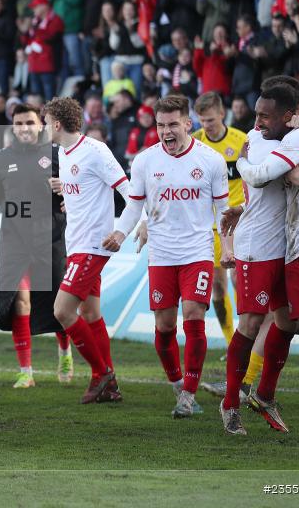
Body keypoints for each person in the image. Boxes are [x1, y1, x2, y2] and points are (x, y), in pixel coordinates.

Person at [216, 85, 299, 435]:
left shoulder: (296, 135)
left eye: (264, 115)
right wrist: (240, 164)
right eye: (257, 114)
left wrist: (242, 204)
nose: (257, 122)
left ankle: (265, 394)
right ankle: (231, 404)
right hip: (258, 246)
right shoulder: (258, 139)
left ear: (290, 115)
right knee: (252, 324)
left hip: (290, 246)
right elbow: (267, 178)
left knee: (289, 324)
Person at [103, 94, 232, 419]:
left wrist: (228, 247)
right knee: (164, 326)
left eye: (173, 124)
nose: (166, 131)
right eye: (161, 125)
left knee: (193, 315)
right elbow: (134, 205)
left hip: (197, 251)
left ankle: (188, 394)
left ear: (188, 123)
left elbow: (223, 210)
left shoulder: (211, 160)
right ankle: (177, 383)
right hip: (161, 253)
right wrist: (120, 233)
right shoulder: (145, 161)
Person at [0, 103, 71, 388]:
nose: (24, 128)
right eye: (19, 123)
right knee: (19, 302)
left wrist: (67, 191)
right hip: (14, 242)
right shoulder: (1, 158)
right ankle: (26, 372)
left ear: (40, 125)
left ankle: (65, 352)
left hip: (51, 239)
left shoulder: (57, 154)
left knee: (60, 306)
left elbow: (77, 190)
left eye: (30, 123)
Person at [45, 97, 127, 403]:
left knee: (62, 311)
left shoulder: (95, 150)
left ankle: (101, 373)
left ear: (56, 124)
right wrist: (66, 191)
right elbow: (86, 188)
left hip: (93, 245)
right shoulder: (63, 153)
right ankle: (111, 384)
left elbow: (127, 188)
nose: (44, 128)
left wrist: (130, 227)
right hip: (77, 243)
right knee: (90, 313)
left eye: (46, 123)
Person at [191, 92, 246, 345]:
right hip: (209, 227)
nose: (206, 126)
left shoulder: (241, 141)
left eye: (211, 120)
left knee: (239, 280)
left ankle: (247, 339)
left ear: (222, 114)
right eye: (202, 121)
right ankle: (230, 341)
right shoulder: (194, 144)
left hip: (239, 222)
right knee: (218, 287)